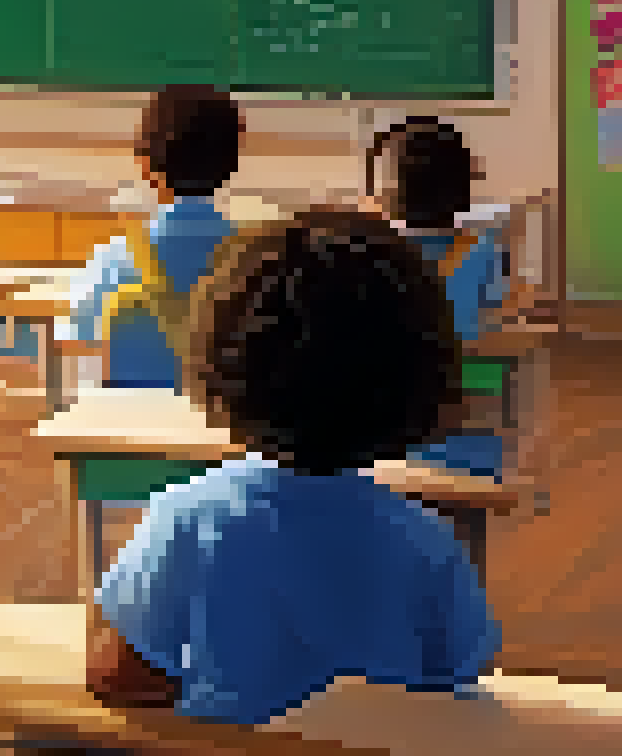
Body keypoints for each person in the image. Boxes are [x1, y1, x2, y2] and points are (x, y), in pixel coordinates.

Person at [88, 208, 497, 725]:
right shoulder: (429, 545)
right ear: (418, 380)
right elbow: (453, 689)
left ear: (220, 361)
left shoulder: (186, 519)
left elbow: (118, 678)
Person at [61, 85, 245, 393]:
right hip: (220, 431)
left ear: (146, 166)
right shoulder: (257, 259)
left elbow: (77, 340)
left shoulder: (115, 259)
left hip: (129, 429)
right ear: (230, 167)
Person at [364, 117, 510, 478]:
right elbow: (498, 318)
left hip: (373, 434)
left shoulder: (365, 253)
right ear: (464, 187)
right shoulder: (487, 251)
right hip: (461, 434)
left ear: (382, 192)